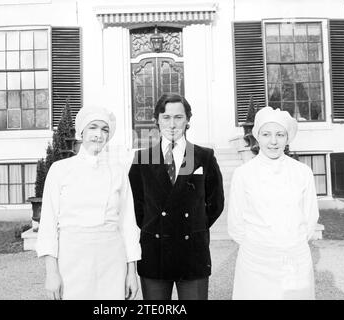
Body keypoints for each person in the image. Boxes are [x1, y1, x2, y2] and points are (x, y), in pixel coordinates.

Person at [36, 106, 141, 300]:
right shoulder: (60, 170)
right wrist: (52, 273)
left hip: (111, 261)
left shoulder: (117, 171)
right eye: (93, 127)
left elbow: (127, 223)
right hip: (72, 260)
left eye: (104, 129)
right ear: (81, 132)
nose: (99, 135)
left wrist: (131, 273)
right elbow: (48, 225)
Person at [128, 93, 224, 300]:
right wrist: (153, 226)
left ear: (188, 120)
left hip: (193, 253)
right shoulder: (142, 158)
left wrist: (195, 225)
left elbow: (216, 203)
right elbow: (135, 204)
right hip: (155, 252)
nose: (172, 124)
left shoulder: (203, 156)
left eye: (178, 117)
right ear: (157, 120)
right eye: (166, 117)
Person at [227, 106, 319, 300]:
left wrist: (290, 244)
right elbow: (236, 223)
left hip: (294, 261)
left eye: (280, 134)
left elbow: (310, 218)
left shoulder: (302, 172)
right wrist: (259, 247)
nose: (273, 141)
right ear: (257, 137)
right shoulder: (243, 174)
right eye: (267, 134)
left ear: (288, 138)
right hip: (255, 262)